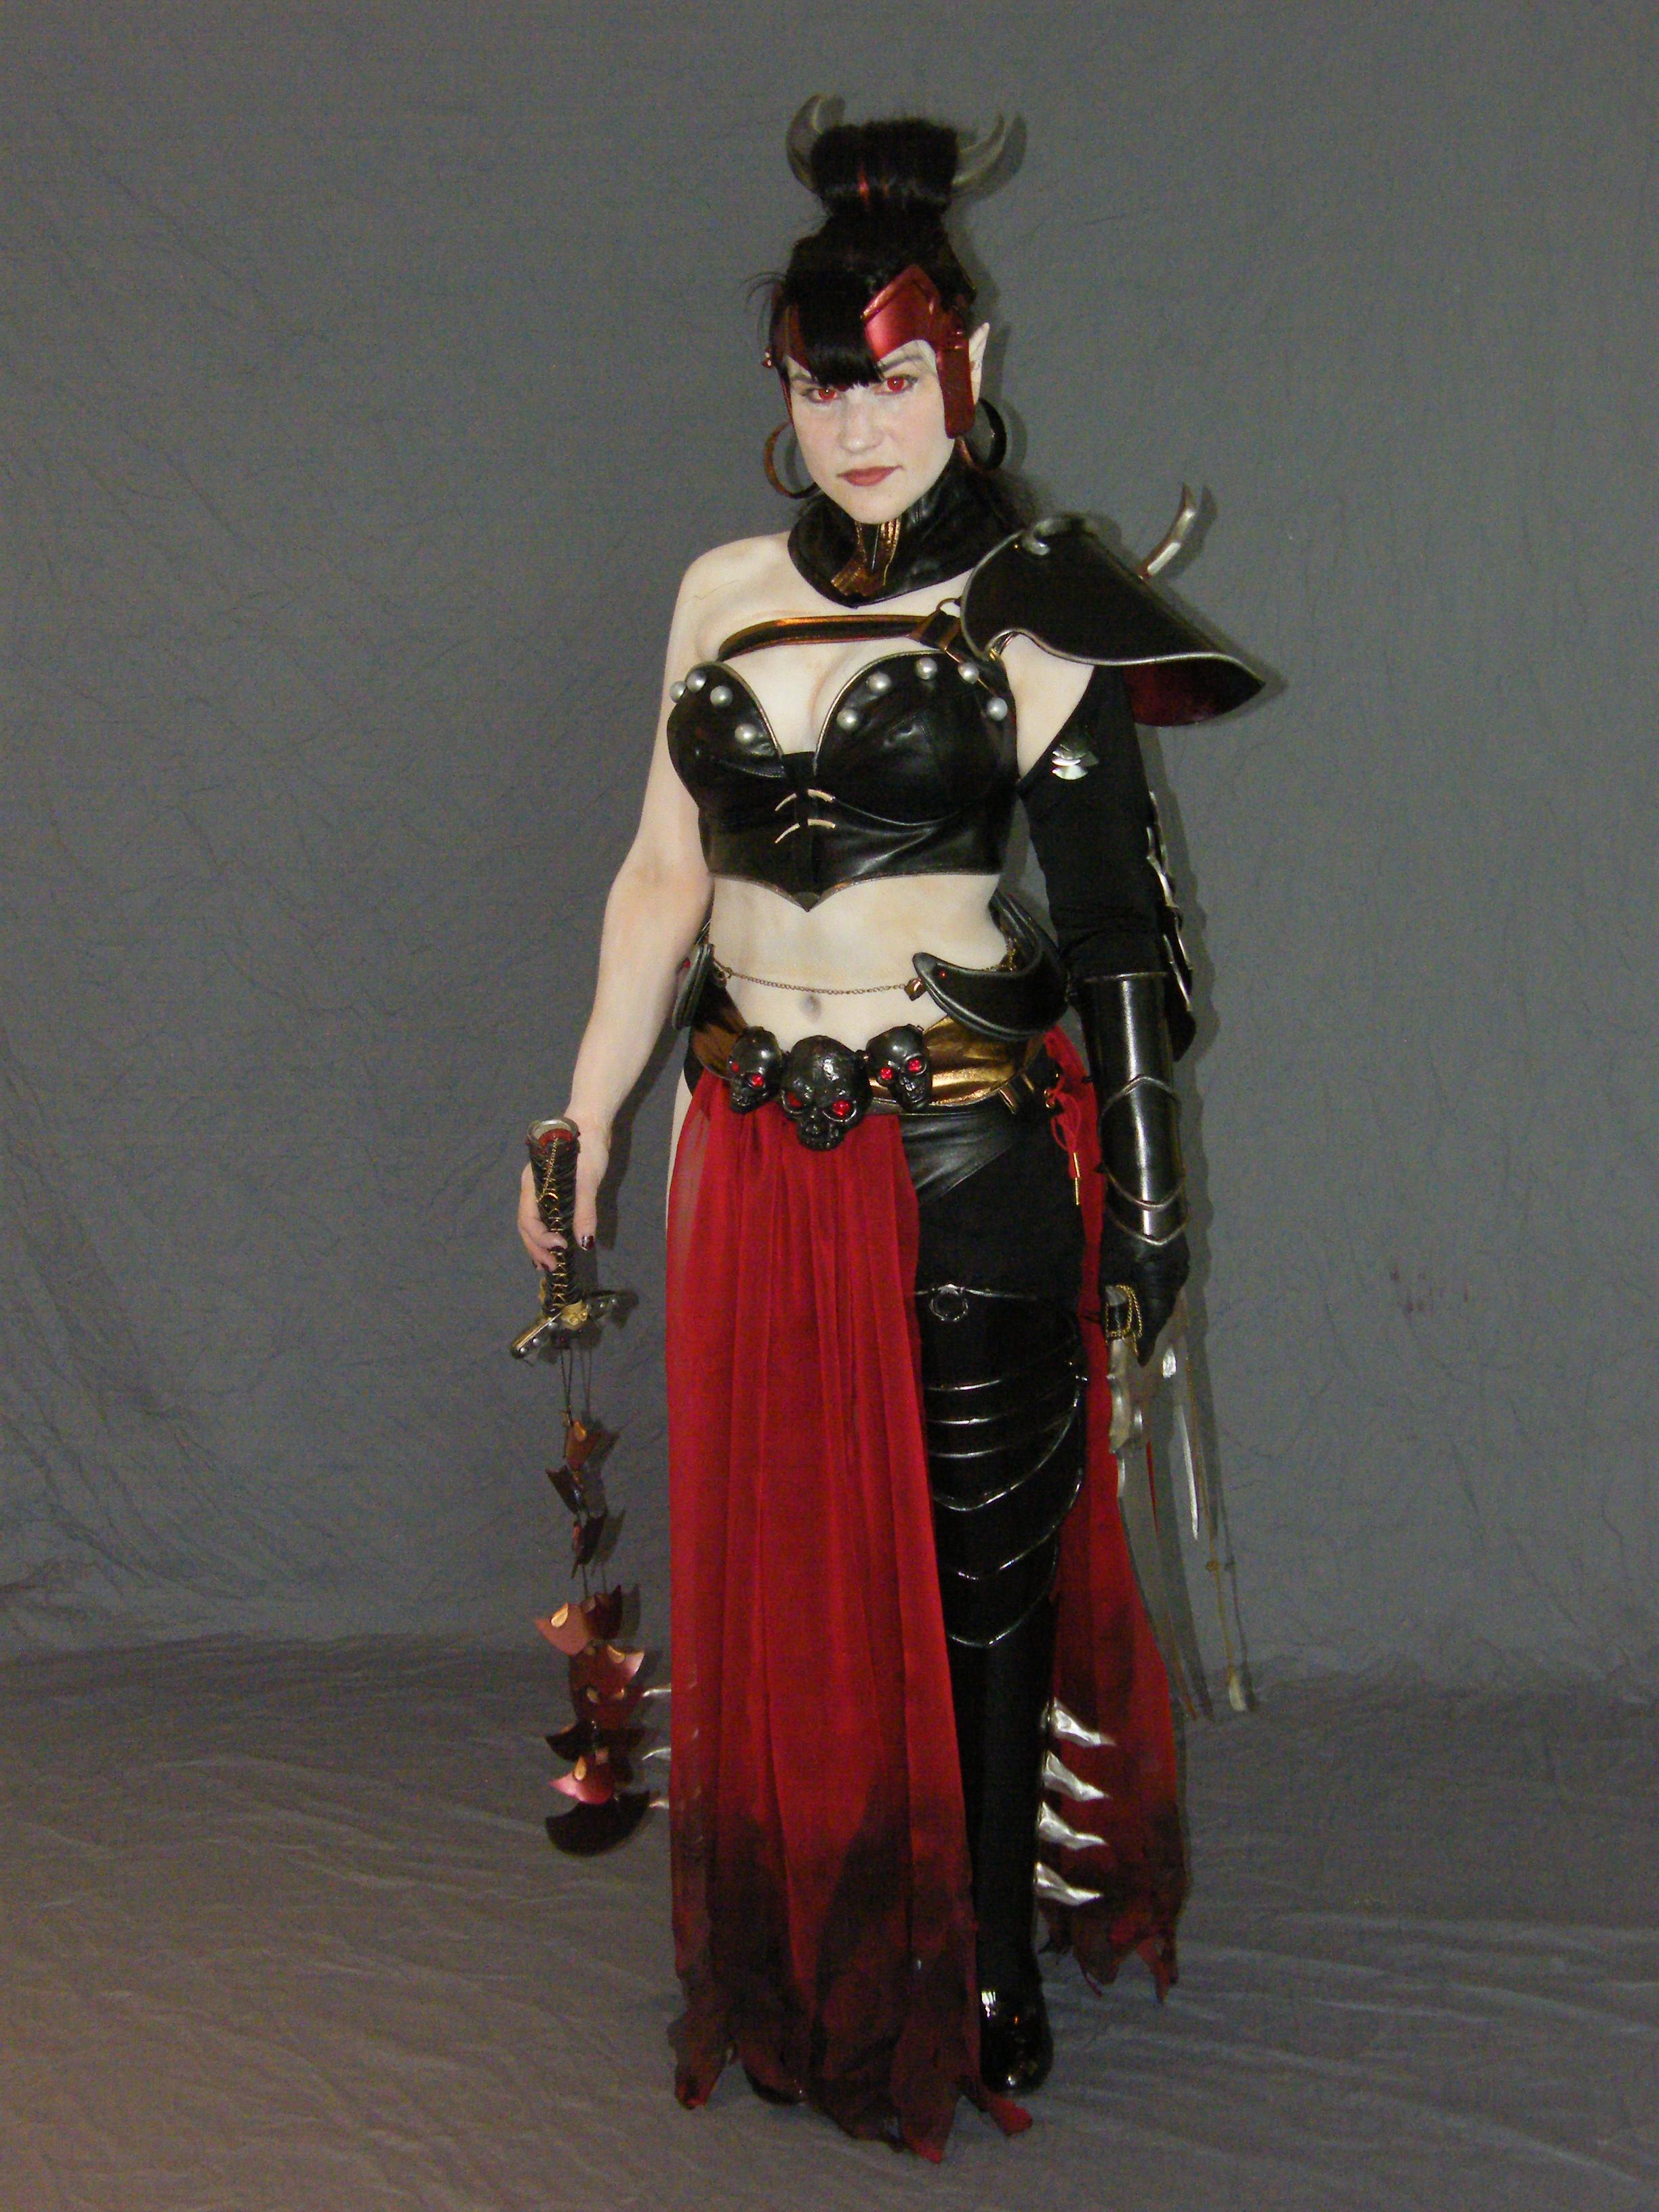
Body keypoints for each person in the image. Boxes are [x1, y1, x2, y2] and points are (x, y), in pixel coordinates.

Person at [517, 106, 1260, 2158]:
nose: (858, 424)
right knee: (785, 1551)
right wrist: (583, 1114)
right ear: (784, 387)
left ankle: (992, 1944)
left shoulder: (1041, 602)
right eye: (822, 383)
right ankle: (813, 1897)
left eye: (899, 377)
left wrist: (1153, 1204)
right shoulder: (718, 592)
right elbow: (661, 877)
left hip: (960, 1144)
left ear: (970, 369)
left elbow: (1117, 934)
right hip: (757, 1143)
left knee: (980, 1562)